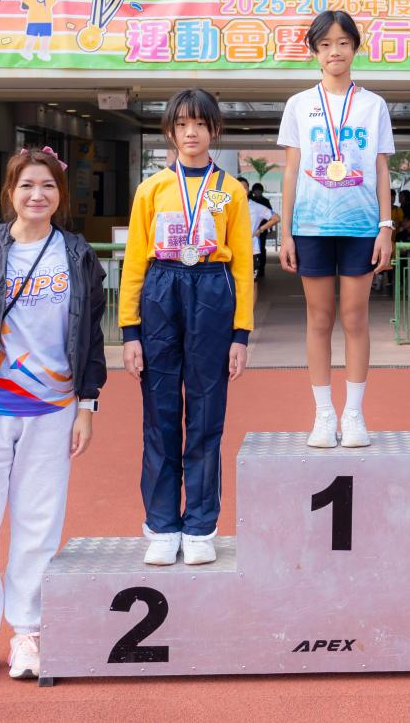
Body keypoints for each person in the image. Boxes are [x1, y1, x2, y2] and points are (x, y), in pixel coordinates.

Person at [0, 147, 106, 685]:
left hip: (52, 411)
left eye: (48, 186)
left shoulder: (77, 255)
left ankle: (28, 631)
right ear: (10, 192)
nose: (37, 195)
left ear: (60, 195)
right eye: (27, 185)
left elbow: (91, 337)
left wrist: (87, 404)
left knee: (38, 526)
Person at [119, 90, 252, 567]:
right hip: (161, 288)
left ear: (214, 130)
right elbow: (134, 260)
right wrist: (130, 330)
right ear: (170, 132)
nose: (190, 133)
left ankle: (199, 525)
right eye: (181, 125)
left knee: (206, 412)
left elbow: (243, 266)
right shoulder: (151, 189)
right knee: (159, 413)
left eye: (199, 124)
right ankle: (161, 525)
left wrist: (240, 334)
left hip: (213, 289)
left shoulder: (231, 190)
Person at [277, 11, 396, 449]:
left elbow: (381, 168)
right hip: (310, 225)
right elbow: (291, 171)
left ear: (355, 48)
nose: (334, 51)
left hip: (360, 225)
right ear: (314, 51)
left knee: (355, 318)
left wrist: (385, 227)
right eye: (325, 44)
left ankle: (354, 413)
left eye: (343, 42)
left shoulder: (373, 105)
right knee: (319, 318)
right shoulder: (298, 104)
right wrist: (286, 232)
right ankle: (323, 414)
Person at [238, 176, 279, 291]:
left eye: (245, 188)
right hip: (232, 251)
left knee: (252, 283)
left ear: (248, 190)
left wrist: (260, 229)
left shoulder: (256, 206)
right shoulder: (226, 206)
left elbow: (276, 218)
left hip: (252, 250)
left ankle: (262, 270)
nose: (242, 191)